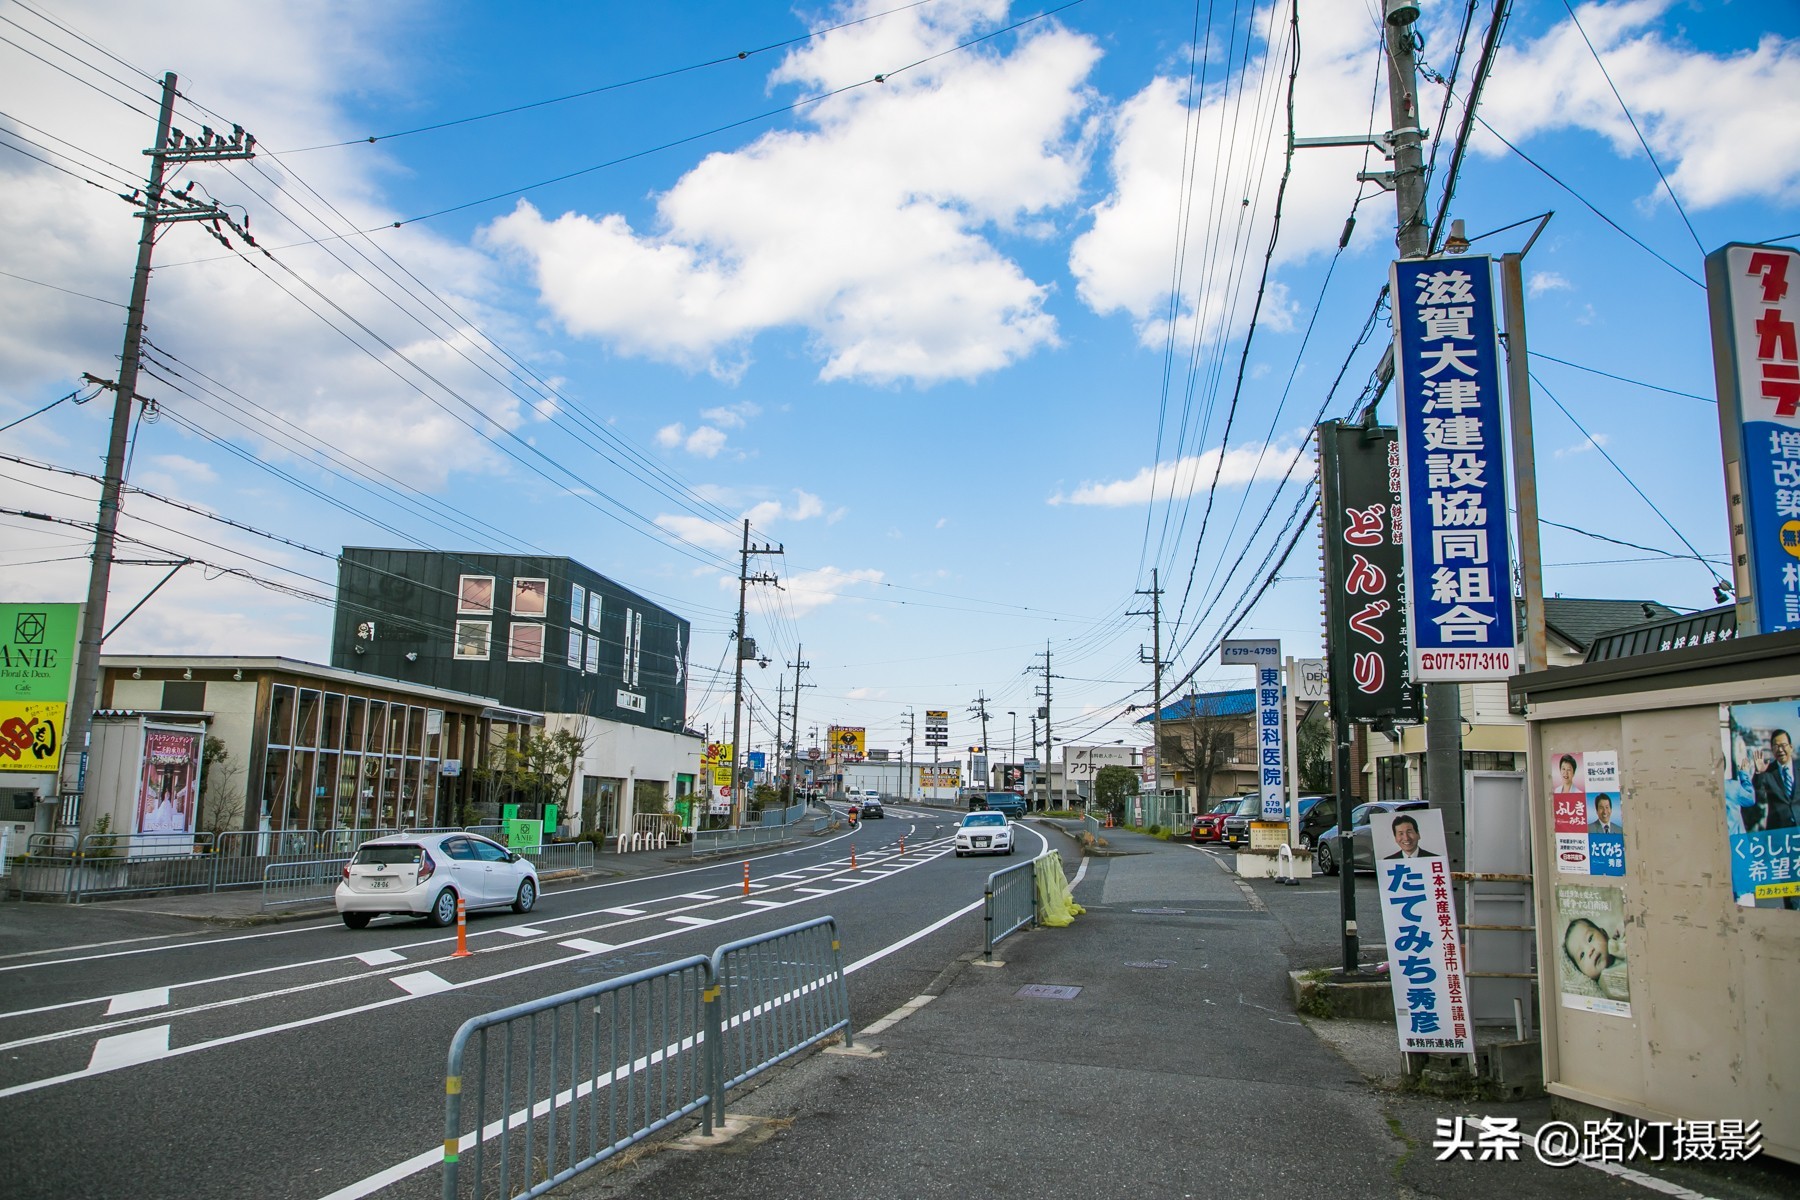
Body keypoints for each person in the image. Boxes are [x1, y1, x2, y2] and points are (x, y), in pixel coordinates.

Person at [1750, 729, 1800, 833]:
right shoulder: (1767, 771)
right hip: (1778, 832)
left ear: (1791, 747)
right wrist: (1758, 773)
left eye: (1783, 745)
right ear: (1772, 750)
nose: (1780, 750)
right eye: (1776, 746)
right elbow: (1757, 796)